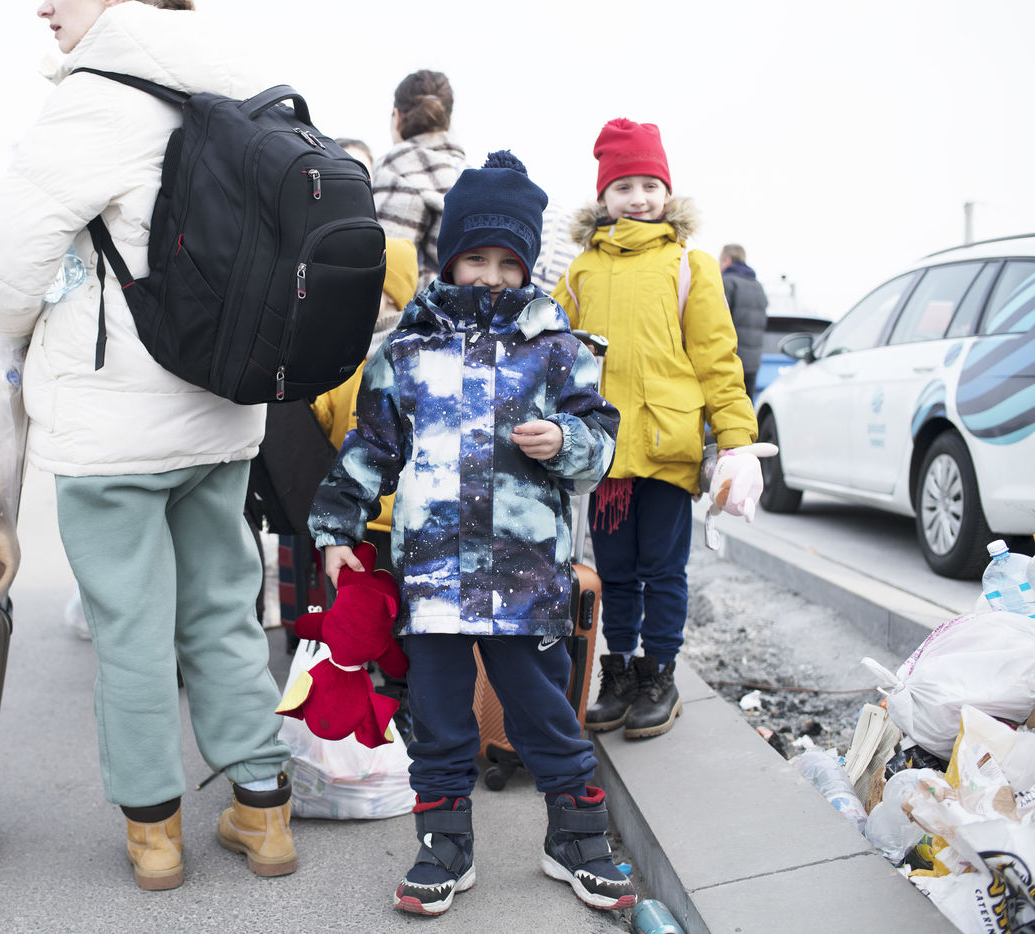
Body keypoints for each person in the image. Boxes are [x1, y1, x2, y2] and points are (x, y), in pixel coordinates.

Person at [0, 0, 294, 892]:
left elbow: (5, 271)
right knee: (224, 614)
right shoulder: (241, 84)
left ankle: (156, 834)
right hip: (223, 410)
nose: (43, 6)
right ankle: (263, 813)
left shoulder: (97, 95)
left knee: (132, 630)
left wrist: (15, 329)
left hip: (113, 425)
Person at [310, 152, 632, 917]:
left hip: (526, 576)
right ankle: (444, 844)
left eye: (508, 262)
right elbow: (371, 447)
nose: (491, 276)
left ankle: (576, 839)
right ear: (449, 257)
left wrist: (565, 439)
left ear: (528, 266)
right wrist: (337, 525)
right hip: (434, 575)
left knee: (542, 711)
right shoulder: (405, 351)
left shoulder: (559, 350)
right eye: (476, 259)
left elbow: (600, 446)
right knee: (439, 715)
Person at [552, 119, 758, 740]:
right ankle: (618, 673)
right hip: (607, 455)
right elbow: (554, 352)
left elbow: (717, 359)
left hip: (668, 447)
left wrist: (736, 441)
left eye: (649, 185)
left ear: (667, 191)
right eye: (624, 187)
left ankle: (659, 675)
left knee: (663, 569)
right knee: (615, 571)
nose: (638, 198)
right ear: (603, 197)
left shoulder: (690, 266)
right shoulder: (581, 272)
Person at [309, 235, 417, 734]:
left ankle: (404, 698)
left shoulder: (408, 353)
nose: (369, 303)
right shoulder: (342, 353)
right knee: (361, 616)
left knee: (401, 620)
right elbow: (324, 416)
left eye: (381, 293)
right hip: (361, 517)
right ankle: (373, 700)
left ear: (401, 296)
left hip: (402, 518)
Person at [370, 70, 466, 288]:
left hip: (423, 305)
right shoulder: (465, 171)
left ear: (397, 117)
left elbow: (383, 262)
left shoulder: (400, 164)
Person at [719, 243, 769, 397]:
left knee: (727, 404)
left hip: (731, 360)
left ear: (727, 260)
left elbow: (718, 320)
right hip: (753, 362)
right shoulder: (757, 285)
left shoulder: (728, 282)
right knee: (746, 404)